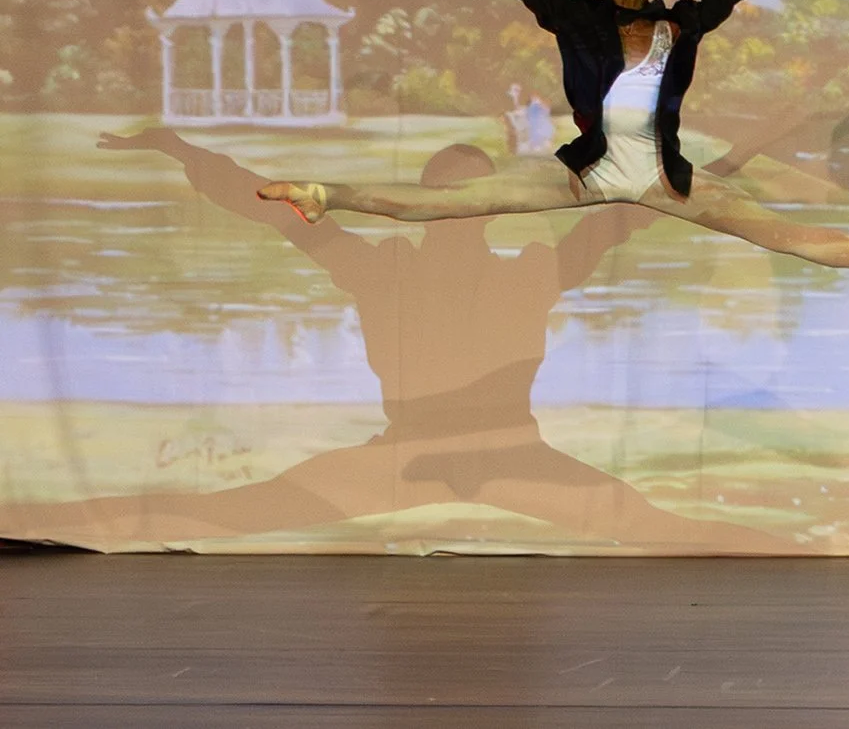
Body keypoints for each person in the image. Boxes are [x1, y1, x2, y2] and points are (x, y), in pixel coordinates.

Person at [3, 129, 786, 553]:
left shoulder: (530, 270)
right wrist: (183, 152)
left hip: (512, 456)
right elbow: (273, 210)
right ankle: (40, 520)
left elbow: (637, 212)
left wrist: (734, 156)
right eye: (446, 190)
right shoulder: (385, 269)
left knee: (672, 533)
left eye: (475, 191)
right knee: (225, 513)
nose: (462, 204)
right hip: (403, 454)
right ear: (419, 200)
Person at [258, 0, 849, 291]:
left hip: (668, 177)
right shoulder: (575, 14)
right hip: (588, 169)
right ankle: (326, 192)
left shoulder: (686, 20)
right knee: (456, 201)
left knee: (790, 237)